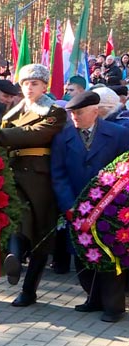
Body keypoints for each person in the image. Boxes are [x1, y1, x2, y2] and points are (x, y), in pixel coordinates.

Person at [51, 91, 129, 322]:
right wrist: (68, 204)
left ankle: (113, 307)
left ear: (95, 111)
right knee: (82, 255)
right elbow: (58, 175)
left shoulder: (118, 134)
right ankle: (92, 299)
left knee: (109, 256)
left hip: (109, 211)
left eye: (80, 112)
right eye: (72, 113)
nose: (75, 117)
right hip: (76, 208)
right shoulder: (62, 138)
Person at [0, 64, 67, 307]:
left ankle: (29, 289)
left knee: (42, 234)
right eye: (26, 83)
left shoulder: (54, 111)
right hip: (13, 174)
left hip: (42, 178)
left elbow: (38, 134)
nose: (29, 87)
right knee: (15, 216)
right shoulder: (12, 113)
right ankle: (14, 260)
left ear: (44, 86)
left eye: (35, 83)